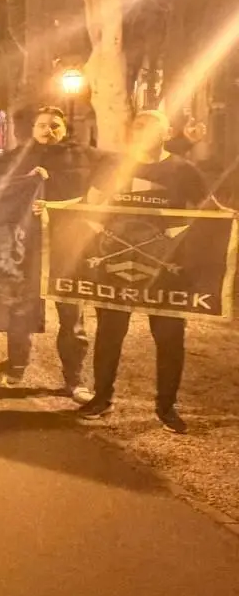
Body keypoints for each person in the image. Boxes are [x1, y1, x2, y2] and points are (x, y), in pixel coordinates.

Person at [78, 110, 218, 434]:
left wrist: (228, 218)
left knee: (169, 338)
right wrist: (52, 209)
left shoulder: (184, 169)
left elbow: (208, 209)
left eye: (153, 127)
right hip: (115, 265)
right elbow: (89, 204)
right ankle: (102, 398)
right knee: (110, 334)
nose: (146, 133)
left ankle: (167, 407)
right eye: (139, 127)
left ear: (167, 132)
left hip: (167, 267)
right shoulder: (112, 165)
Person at [0, 106, 97, 402]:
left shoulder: (83, 156)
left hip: (68, 248)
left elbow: (98, 192)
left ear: (65, 129)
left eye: (54, 126)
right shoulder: (19, 157)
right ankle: (15, 368)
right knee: (21, 311)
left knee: (72, 317)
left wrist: (50, 189)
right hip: (26, 248)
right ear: (33, 129)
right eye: (41, 125)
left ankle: (75, 380)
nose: (47, 131)